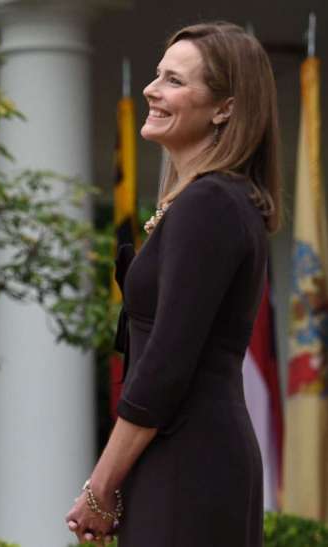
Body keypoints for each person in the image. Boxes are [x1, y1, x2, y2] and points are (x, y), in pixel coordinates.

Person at [65, 22, 281, 546]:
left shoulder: (210, 204)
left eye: (174, 81)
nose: (151, 89)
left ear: (225, 108)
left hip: (189, 457)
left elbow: (164, 366)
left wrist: (100, 486)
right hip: (180, 451)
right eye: (156, 75)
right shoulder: (208, 202)